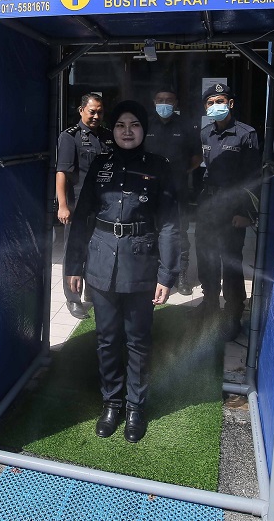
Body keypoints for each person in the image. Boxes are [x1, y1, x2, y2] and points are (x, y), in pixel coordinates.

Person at [64, 100, 180, 443]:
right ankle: (112, 403)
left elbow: (170, 225)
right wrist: (74, 265)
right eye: (120, 125)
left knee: (138, 340)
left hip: (141, 263)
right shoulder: (100, 164)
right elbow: (82, 217)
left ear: (144, 130)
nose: (127, 131)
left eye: (134, 125)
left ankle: (135, 408)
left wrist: (167, 274)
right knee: (107, 338)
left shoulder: (159, 167)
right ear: (111, 130)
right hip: (101, 261)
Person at [195, 83, 261, 341]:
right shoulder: (205, 134)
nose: (215, 106)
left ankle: (233, 313)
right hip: (209, 204)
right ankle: (209, 304)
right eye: (210, 103)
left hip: (233, 208)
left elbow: (253, 178)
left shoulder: (246, 134)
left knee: (230, 261)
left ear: (230, 104)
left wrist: (248, 213)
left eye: (220, 101)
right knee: (206, 257)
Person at [56, 93, 113, 319]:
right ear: (81, 111)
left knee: (98, 248)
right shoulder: (70, 137)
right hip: (78, 204)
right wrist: (62, 205)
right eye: (92, 111)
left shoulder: (108, 136)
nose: (96, 116)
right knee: (75, 250)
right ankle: (73, 299)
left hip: (104, 204)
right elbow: (62, 172)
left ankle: (92, 290)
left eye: (100, 112)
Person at [144, 87, 202, 296]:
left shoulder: (186, 126)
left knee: (179, 232)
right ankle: (153, 274)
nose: (164, 103)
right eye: (160, 100)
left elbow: (197, 157)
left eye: (169, 100)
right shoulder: (146, 124)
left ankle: (181, 275)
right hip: (149, 191)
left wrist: (179, 173)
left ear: (176, 103)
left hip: (178, 190)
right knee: (150, 231)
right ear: (154, 102)